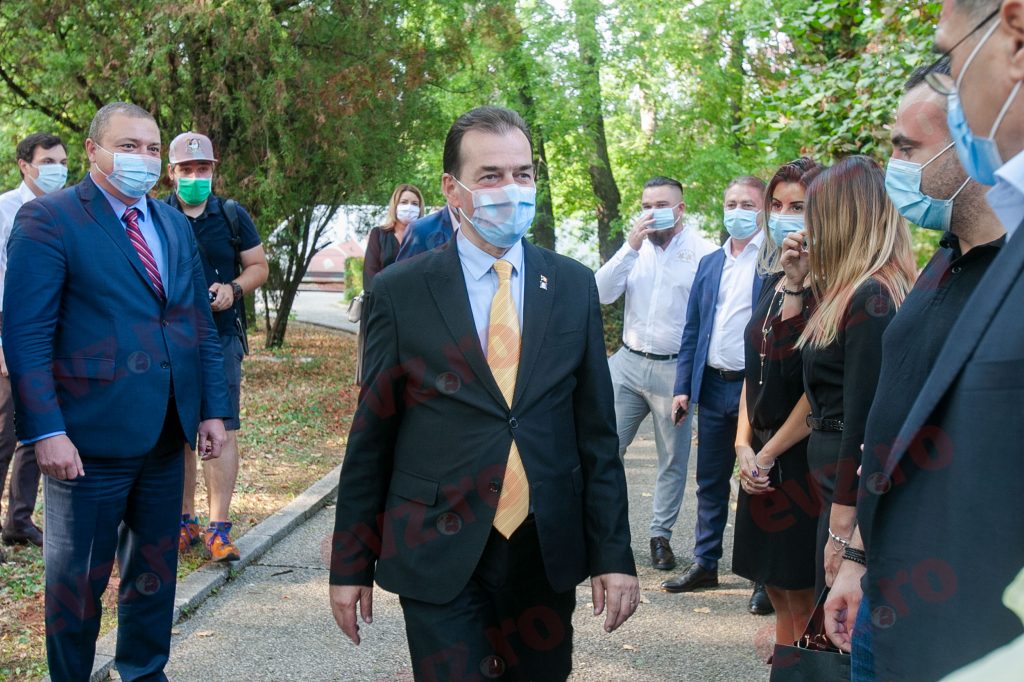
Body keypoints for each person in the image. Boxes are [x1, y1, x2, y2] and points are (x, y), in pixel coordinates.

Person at [329, 106, 638, 681]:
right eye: (491, 175)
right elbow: (371, 437)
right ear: (453, 189)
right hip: (437, 545)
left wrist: (614, 555)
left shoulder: (572, 285)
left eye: (522, 174)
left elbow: (597, 434)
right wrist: (350, 563)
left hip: (543, 549)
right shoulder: (401, 291)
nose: (510, 190)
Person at [828, 2, 1024, 678]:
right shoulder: (939, 264)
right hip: (885, 597)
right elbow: (893, 426)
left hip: (966, 628)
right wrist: (857, 558)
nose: (894, 166)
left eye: (906, 149)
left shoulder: (1009, 273)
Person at [3, 102, 230, 680]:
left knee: (153, 577)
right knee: (76, 585)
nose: (143, 159)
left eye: (152, 149)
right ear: (93, 150)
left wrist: (212, 410)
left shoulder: (173, 224)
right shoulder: (50, 219)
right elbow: (26, 334)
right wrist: (46, 430)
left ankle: (145, 672)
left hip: (165, 434)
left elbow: (197, 324)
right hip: (85, 442)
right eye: (129, 147)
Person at [776, 156, 916, 603]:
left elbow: (864, 419)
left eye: (815, 214)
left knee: (834, 612)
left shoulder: (872, 295)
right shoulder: (848, 289)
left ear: (842, 218)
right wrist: (795, 286)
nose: (808, 228)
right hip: (830, 476)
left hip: (844, 481)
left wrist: (842, 525)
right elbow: (791, 377)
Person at [594, 176, 715, 572]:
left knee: (673, 459)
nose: (652, 212)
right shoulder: (635, 250)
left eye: (661, 205)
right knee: (603, 447)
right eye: (646, 205)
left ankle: (660, 536)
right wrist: (630, 247)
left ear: (680, 210)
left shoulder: (704, 253)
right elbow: (601, 293)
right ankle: (600, 531)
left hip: (674, 369)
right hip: (627, 363)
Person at [663, 176, 769, 615]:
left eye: (747, 203)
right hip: (712, 385)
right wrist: (683, 387)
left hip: (757, 390)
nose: (737, 211)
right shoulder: (710, 262)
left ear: (763, 209)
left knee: (758, 481)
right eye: (731, 203)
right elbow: (692, 329)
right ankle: (706, 562)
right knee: (709, 480)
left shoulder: (774, 260)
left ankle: (763, 577)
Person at [732, 158, 826, 643]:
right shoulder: (772, 281)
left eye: (798, 206)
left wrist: (767, 453)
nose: (784, 216)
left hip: (799, 459)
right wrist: (743, 446)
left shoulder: (832, 290)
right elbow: (756, 372)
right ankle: (787, 669)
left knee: (803, 599)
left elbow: (813, 389)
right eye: (777, 204)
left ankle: (800, 671)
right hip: (760, 459)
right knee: (773, 589)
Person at [165, 131, 268, 563]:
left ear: (213, 170)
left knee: (221, 428)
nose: (195, 176)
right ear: (171, 173)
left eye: (202, 168)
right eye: (186, 169)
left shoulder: (230, 214)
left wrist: (232, 289)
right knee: (178, 432)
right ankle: (183, 521)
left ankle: (218, 528)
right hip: (170, 339)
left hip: (222, 337)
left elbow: (258, 266)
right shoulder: (156, 214)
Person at [0, 132, 68, 553]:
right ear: (25, 165)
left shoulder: (67, 211)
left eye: (63, 162)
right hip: (9, 327)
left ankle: (19, 521)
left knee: (38, 425)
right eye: (48, 162)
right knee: (4, 431)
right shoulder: (5, 209)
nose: (58, 170)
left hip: (55, 330)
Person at [364, 183, 424, 287]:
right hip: (382, 295)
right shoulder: (378, 234)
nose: (409, 207)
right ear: (395, 205)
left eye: (414, 204)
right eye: (404, 202)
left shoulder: (425, 237)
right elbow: (370, 273)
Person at [394, 199, 458, 262]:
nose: (409, 207)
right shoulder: (419, 230)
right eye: (404, 202)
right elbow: (405, 267)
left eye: (415, 203)